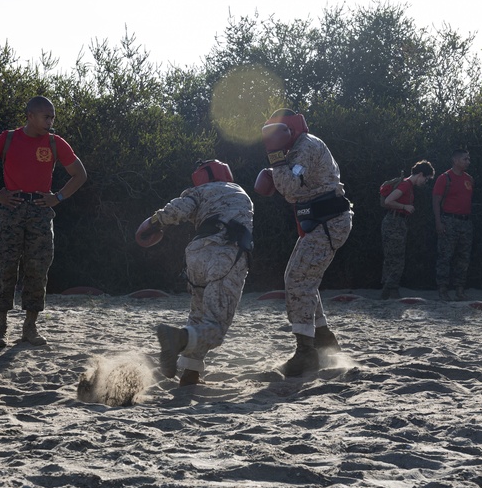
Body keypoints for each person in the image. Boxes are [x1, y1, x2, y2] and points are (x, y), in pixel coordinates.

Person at [0, 96, 87, 347]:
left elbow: (80, 174)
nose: (51, 122)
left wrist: (58, 197)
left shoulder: (55, 143)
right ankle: (1, 329)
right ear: (30, 116)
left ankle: (29, 328)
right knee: (6, 267)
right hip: (12, 210)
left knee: (38, 269)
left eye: (53, 117)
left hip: (41, 212)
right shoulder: (8, 139)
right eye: (46, 116)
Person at [254, 109, 353, 377]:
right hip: (323, 221)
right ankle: (322, 339)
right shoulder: (300, 146)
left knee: (298, 279)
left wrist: (274, 160)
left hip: (328, 221)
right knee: (299, 277)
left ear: (288, 130)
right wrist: (277, 165)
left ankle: (306, 353)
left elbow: (291, 188)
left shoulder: (304, 146)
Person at [140, 160, 254, 387]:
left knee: (198, 315)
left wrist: (153, 222)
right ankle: (179, 339)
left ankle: (190, 374)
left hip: (196, 255)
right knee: (215, 327)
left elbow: (176, 210)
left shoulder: (197, 192)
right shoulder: (240, 193)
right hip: (225, 255)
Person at [380, 161, 435, 299]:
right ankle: (391, 290)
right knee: (397, 258)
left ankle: (388, 289)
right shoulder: (406, 185)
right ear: (421, 174)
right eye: (426, 179)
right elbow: (388, 201)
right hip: (395, 222)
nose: (425, 182)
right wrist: (404, 207)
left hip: (396, 222)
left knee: (392, 257)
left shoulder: (407, 185)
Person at [431, 149, 474, 301]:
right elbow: (436, 200)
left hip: (465, 222)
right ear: (455, 160)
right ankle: (443, 289)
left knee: (463, 257)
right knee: (445, 256)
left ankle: (460, 290)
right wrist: (438, 221)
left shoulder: (469, 178)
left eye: (468, 159)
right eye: (465, 159)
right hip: (449, 220)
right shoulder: (445, 178)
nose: (468, 162)